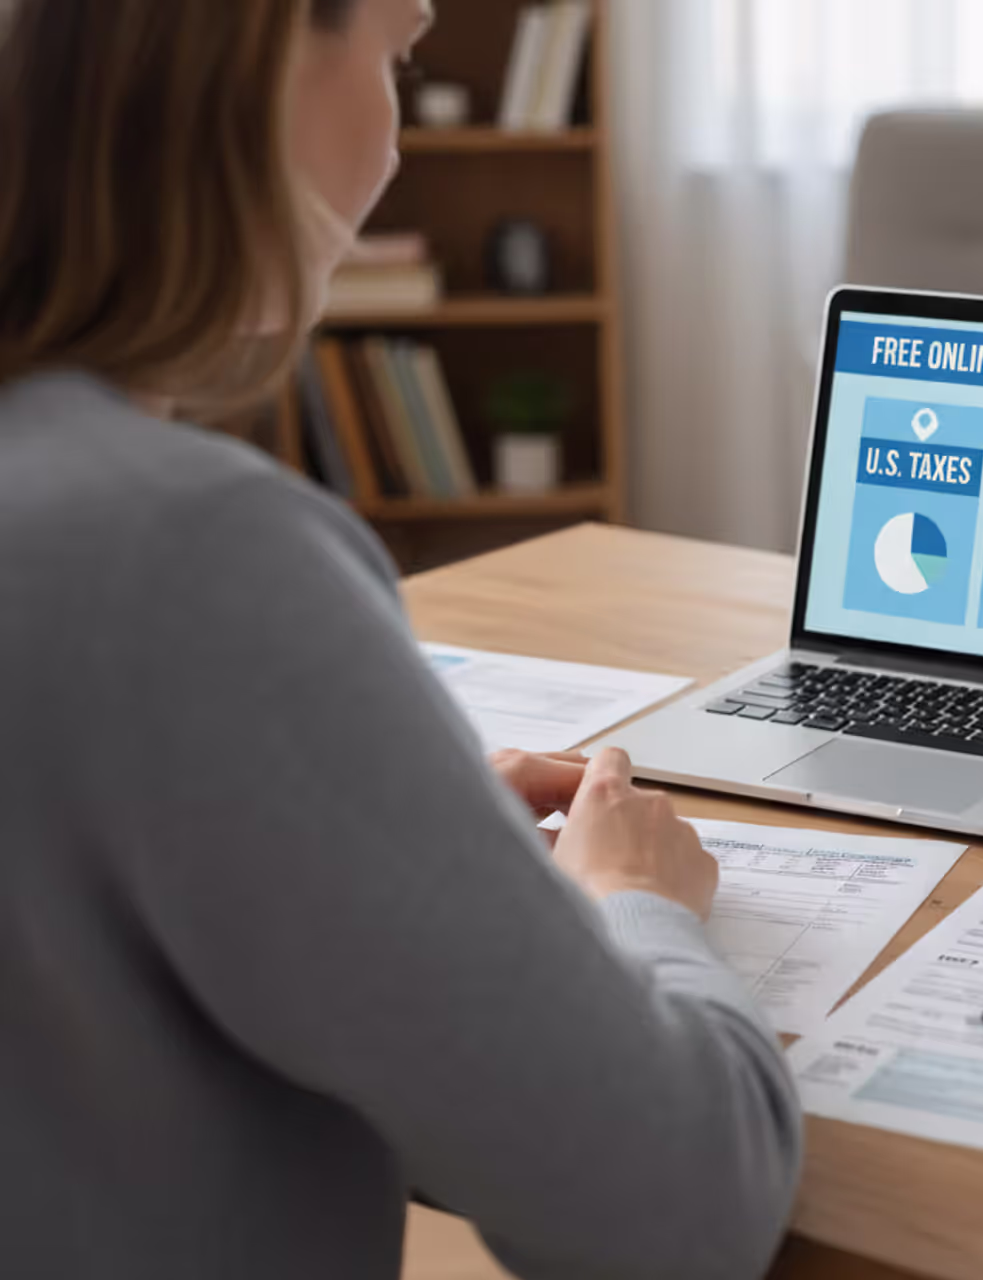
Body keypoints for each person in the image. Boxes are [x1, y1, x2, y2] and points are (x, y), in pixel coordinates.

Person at [0, 2, 802, 1277]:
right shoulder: (195, 551)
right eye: (400, 53)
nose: (393, 142)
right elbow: (683, 1213)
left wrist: (401, 829)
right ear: (266, 58)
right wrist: (638, 902)